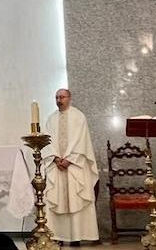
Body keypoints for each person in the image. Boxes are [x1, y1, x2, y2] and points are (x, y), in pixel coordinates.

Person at [42, 89, 99, 244]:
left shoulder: (79, 117)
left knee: (76, 199)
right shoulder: (51, 119)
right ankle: (58, 236)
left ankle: (76, 237)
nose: (59, 100)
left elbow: (83, 141)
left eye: (62, 97)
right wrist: (54, 158)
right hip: (57, 166)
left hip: (75, 166)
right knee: (57, 199)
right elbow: (46, 141)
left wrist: (70, 159)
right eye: (57, 97)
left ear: (69, 98)